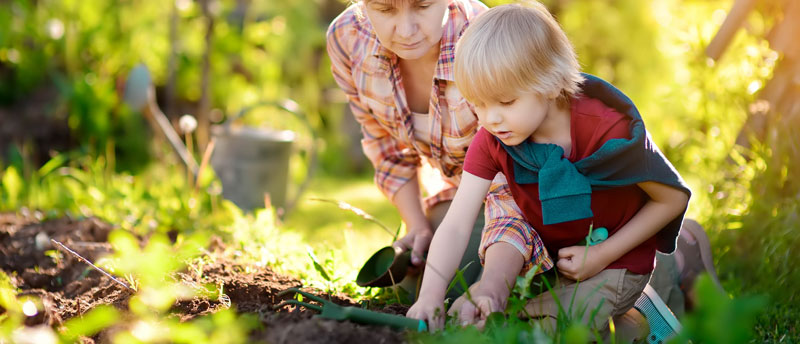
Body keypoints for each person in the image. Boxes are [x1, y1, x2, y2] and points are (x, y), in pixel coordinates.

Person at [406, 2, 692, 336]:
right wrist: (429, 296)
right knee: (500, 317)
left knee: (553, 330)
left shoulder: (607, 131)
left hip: (617, 260)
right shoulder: (494, 138)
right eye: (478, 104)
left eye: (506, 102)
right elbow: (456, 224)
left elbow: (671, 198)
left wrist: (601, 255)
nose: (490, 118)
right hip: (559, 262)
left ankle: (643, 320)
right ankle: (637, 317)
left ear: (552, 83)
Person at [326, 0, 552, 299]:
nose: (406, 30)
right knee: (408, 291)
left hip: (529, 196)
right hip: (455, 191)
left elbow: (515, 172)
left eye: (422, 6)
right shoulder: (348, 39)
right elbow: (385, 144)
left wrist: (493, 282)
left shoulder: (486, 44)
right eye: (385, 9)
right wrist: (417, 225)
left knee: (458, 296)